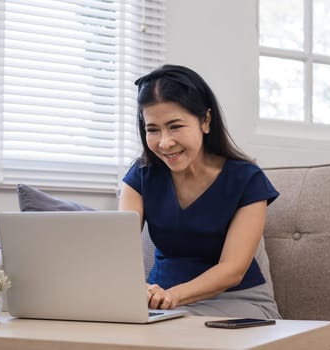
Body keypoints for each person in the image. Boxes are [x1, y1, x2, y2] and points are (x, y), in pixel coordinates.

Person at [118, 64, 281, 319]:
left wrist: (173, 296)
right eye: (152, 129)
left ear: (205, 121)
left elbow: (233, 269)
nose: (164, 142)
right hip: (159, 305)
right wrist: (141, 290)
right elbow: (118, 251)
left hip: (237, 301)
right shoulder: (140, 176)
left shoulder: (247, 180)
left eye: (175, 126)